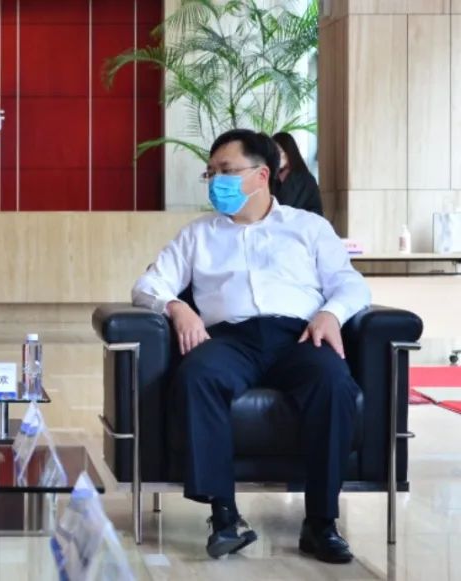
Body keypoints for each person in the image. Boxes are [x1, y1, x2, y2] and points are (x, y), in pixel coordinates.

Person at [131, 129, 370, 564]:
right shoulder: (198, 234)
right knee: (197, 375)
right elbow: (148, 283)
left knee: (333, 382)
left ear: (261, 175)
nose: (214, 181)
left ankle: (321, 523)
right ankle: (225, 517)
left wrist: (331, 314)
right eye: (210, 173)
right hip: (230, 340)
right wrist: (176, 307)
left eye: (225, 171)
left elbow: (350, 284)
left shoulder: (308, 227)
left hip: (299, 336)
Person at [273, 131, 323, 215]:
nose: (276, 157)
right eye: (274, 153)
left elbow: (316, 212)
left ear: (289, 151)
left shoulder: (306, 180)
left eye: (279, 152)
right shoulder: (271, 179)